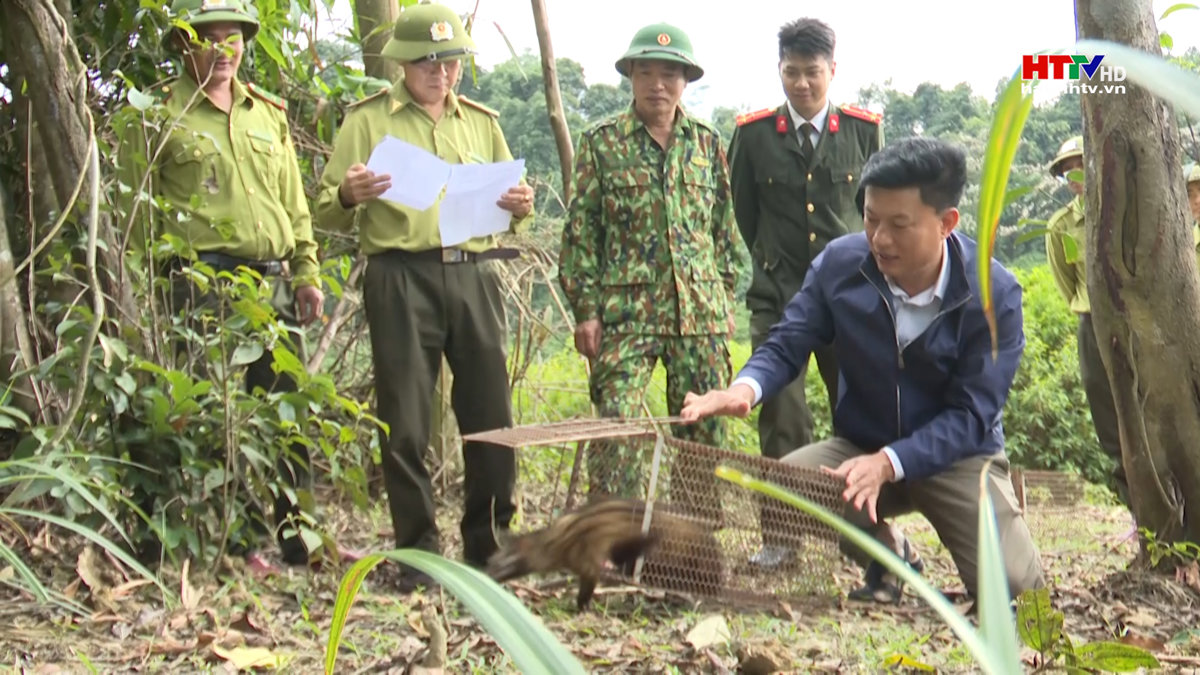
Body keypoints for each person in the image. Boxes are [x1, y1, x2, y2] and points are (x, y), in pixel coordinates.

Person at [679, 137, 1046, 604]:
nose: (879, 238)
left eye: (899, 224)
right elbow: (790, 339)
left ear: (946, 223)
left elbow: (973, 414)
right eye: (871, 219)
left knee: (1016, 594)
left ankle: (995, 539)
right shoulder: (840, 265)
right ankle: (889, 556)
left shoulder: (993, 295)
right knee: (788, 482)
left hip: (957, 457)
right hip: (862, 443)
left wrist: (890, 463)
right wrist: (745, 389)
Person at [314, 2, 534, 592]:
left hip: (475, 273)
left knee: (490, 416)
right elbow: (322, 211)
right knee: (406, 421)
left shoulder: (481, 122)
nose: (442, 74)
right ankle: (418, 554)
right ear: (403, 65)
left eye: (452, 62)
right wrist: (348, 192)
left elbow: (510, 200)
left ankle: (488, 546)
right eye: (428, 63)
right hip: (399, 275)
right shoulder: (366, 120)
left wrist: (520, 207)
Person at [114, 0, 324, 572]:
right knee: (205, 411)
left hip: (272, 279)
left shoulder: (267, 114)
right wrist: (139, 301)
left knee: (284, 410)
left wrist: (306, 272)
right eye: (211, 38)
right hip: (197, 282)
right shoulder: (156, 117)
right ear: (185, 44)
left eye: (234, 38)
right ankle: (229, 542)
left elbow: (293, 202)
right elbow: (136, 218)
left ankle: (298, 539)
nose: (225, 49)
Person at [558, 22, 740, 521]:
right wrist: (586, 311)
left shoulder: (706, 143)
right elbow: (580, 234)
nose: (657, 84)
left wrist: (720, 299)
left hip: (698, 315)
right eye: (646, 73)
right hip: (625, 314)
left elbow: (723, 229)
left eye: (669, 74)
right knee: (618, 424)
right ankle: (615, 539)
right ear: (631, 78)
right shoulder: (602, 143)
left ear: (685, 81)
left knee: (702, 434)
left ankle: (693, 547)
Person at [728, 17, 883, 569]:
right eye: (791, 73)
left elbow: (874, 214)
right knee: (782, 416)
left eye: (812, 73)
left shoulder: (864, 132)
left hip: (850, 300)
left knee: (858, 415)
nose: (801, 84)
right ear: (780, 71)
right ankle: (783, 537)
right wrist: (774, 267)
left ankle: (862, 537)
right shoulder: (752, 135)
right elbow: (746, 215)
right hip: (779, 297)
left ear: (832, 71)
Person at [1044, 135, 1126, 505]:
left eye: (1081, 165)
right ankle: (1138, 511)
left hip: (1130, 323)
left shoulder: (1123, 211)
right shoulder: (1060, 226)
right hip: (1091, 325)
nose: (1075, 175)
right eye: (1067, 171)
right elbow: (1067, 283)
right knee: (1108, 421)